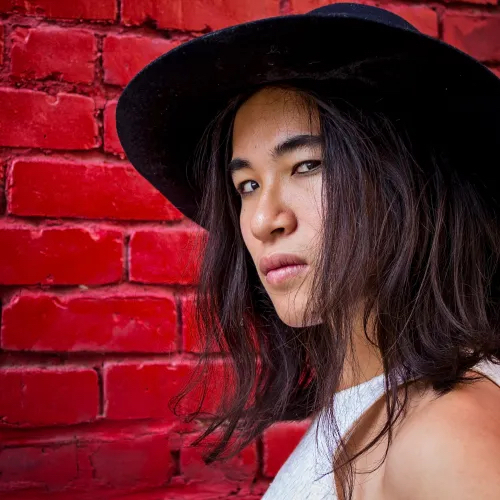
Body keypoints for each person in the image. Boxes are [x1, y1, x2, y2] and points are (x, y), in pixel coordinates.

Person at [116, 3, 500, 499]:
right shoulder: (367, 404)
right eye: (248, 184)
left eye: (306, 166)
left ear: (407, 184)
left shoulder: (443, 434)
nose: (262, 220)